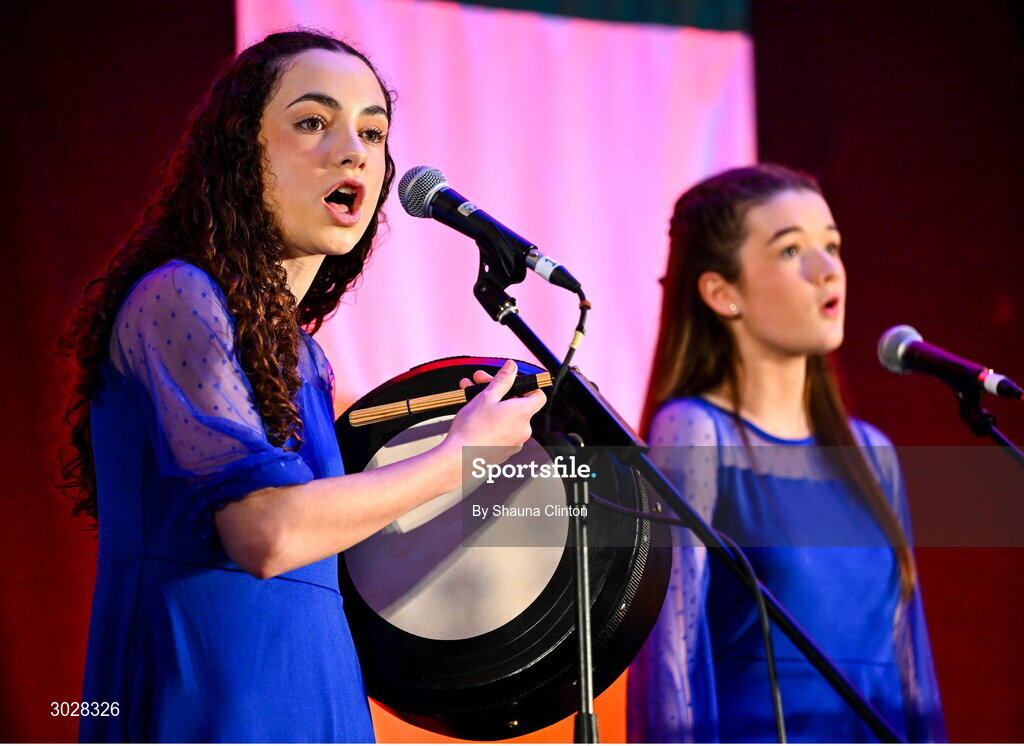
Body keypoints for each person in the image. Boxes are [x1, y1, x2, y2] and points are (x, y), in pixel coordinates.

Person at [59, 30, 545, 743]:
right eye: (314, 122)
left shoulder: (306, 358)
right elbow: (267, 532)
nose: (354, 151)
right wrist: (456, 460)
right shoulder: (179, 296)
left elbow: (326, 545)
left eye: (372, 132)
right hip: (207, 703)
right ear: (240, 151)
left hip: (318, 695)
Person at [626, 165, 946, 743]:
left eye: (832, 246)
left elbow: (911, 666)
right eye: (792, 250)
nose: (828, 270)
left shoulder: (873, 452)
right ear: (722, 293)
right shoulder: (694, 432)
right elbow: (670, 664)